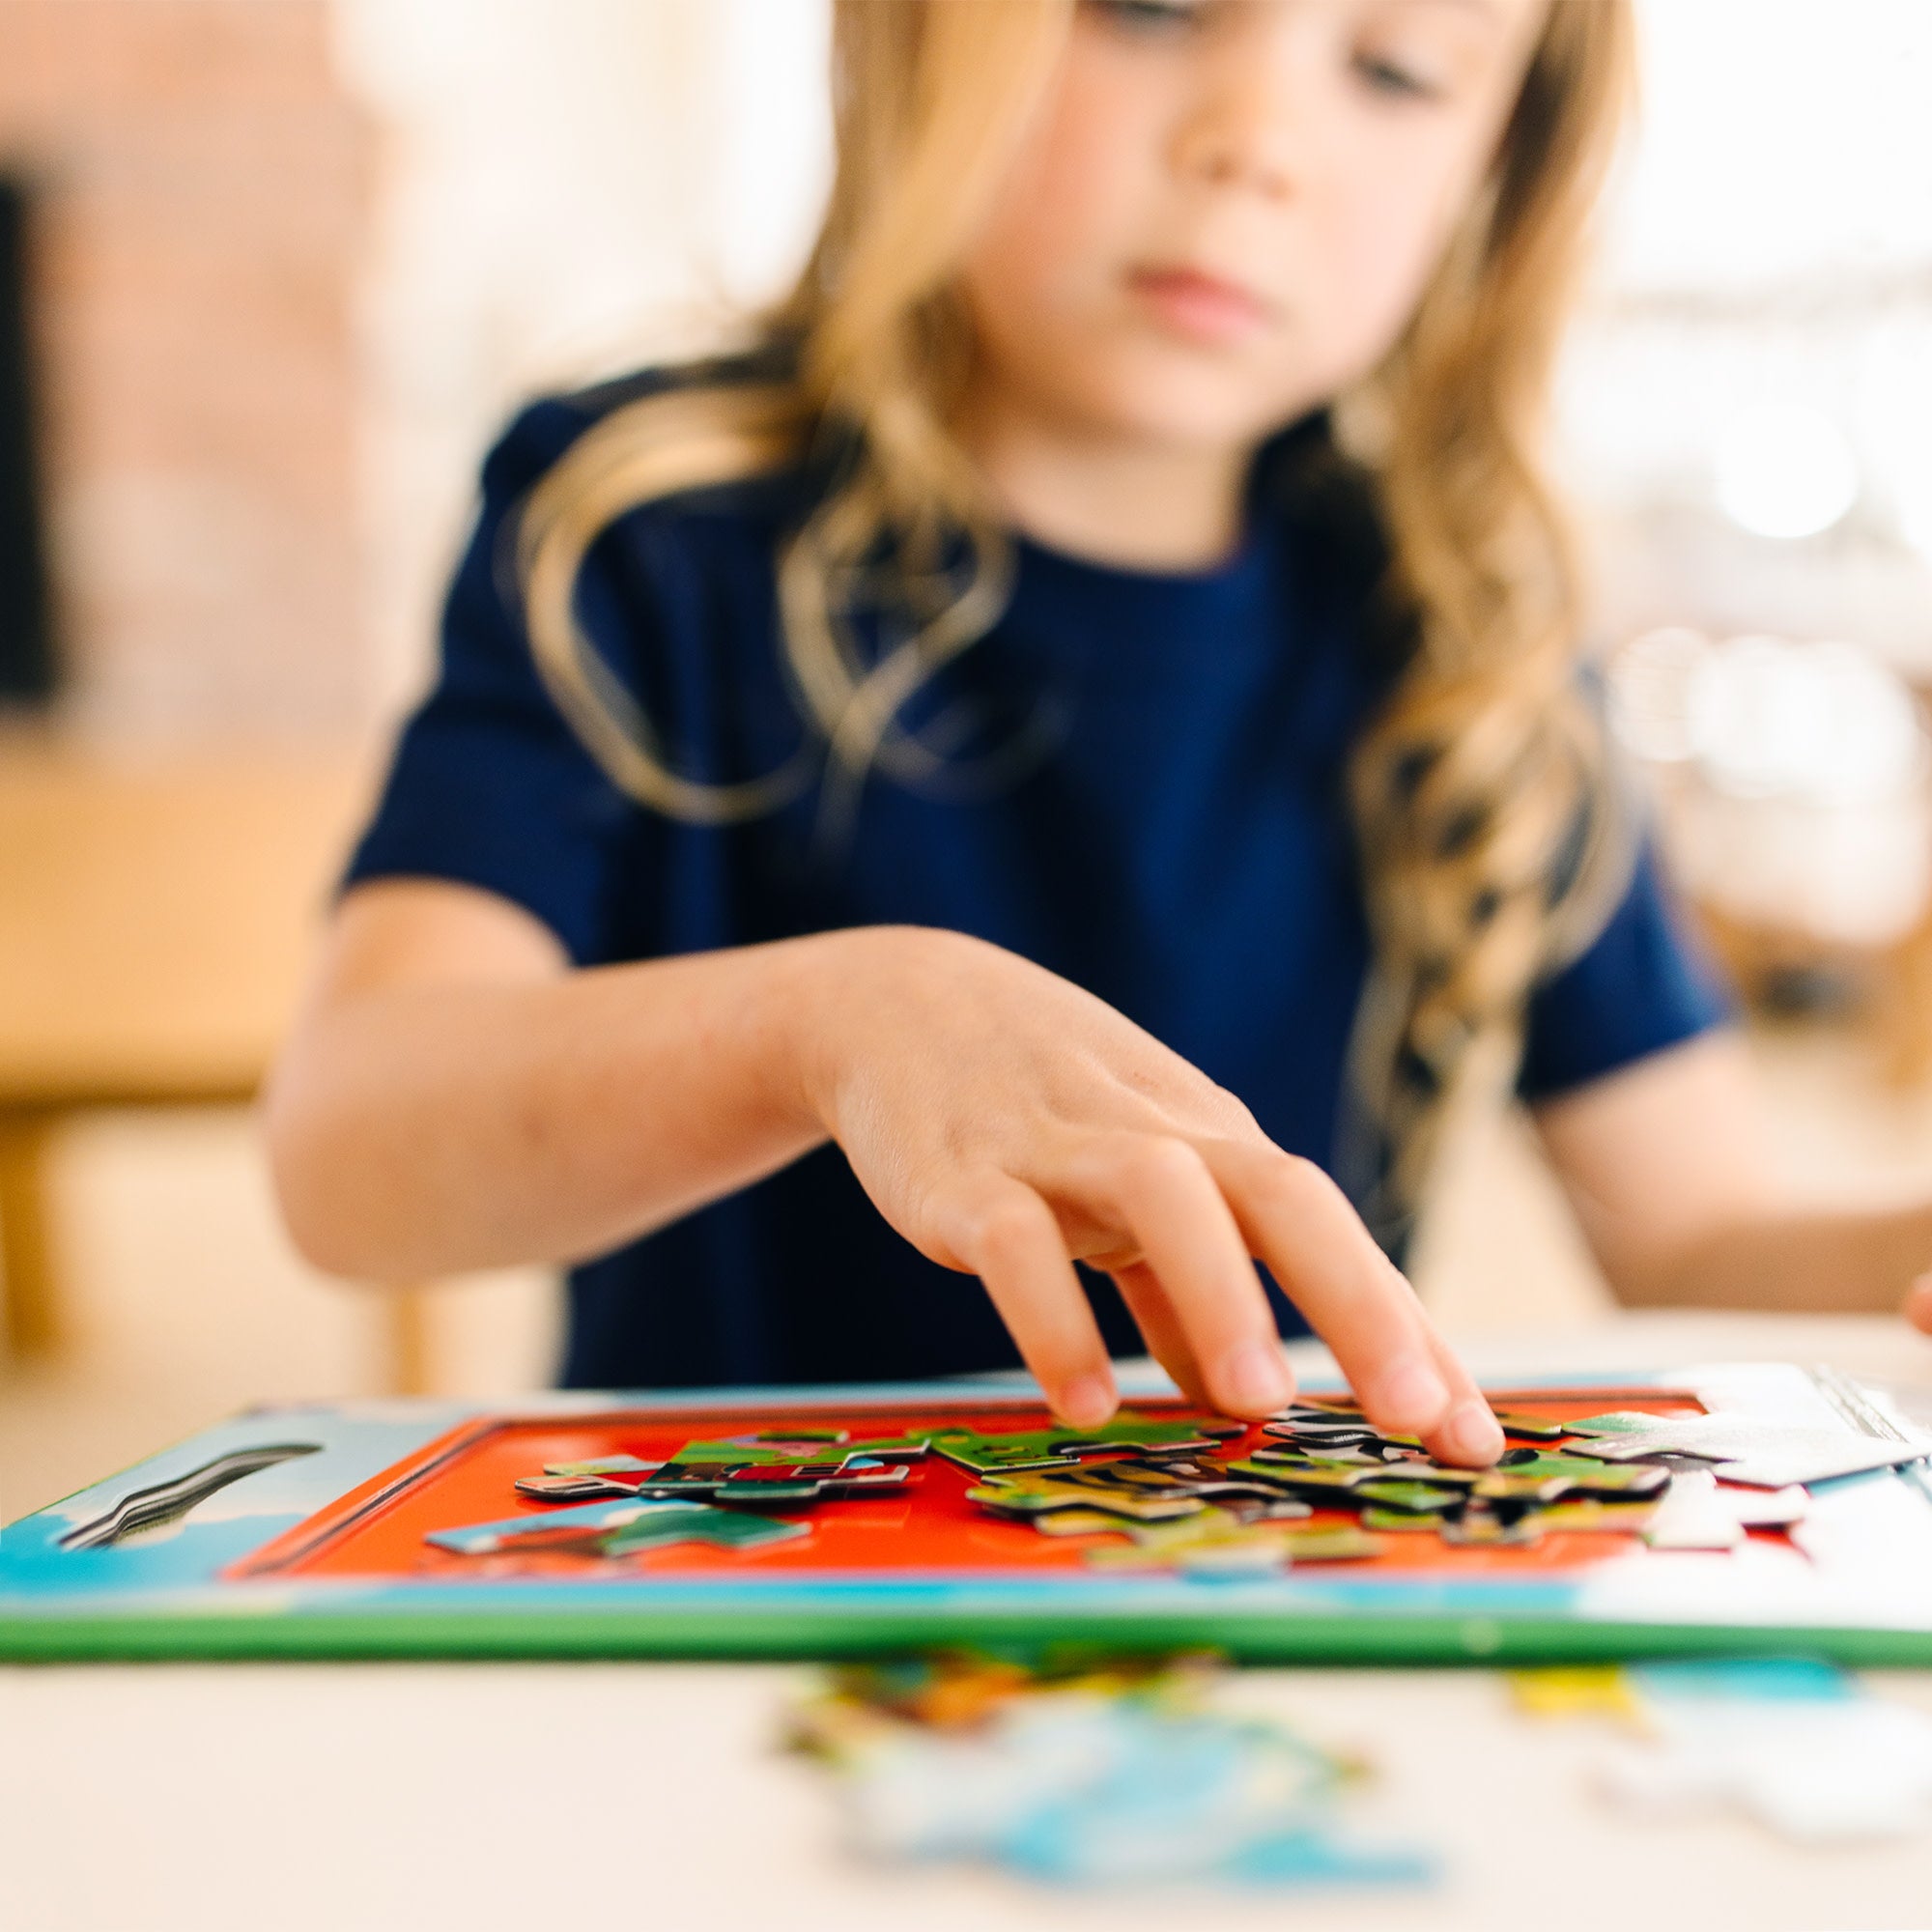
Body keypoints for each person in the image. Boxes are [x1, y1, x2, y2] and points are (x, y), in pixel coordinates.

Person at [266, 0, 1932, 1474]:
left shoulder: (1467, 637)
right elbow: (350, 1153)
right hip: (714, 1619)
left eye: (1398, 68)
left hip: (1276, 1616)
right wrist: (824, 1019)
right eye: (1148, 7)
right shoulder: (636, 527)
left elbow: (1703, 1228)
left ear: (1498, 170)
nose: (1254, 144)